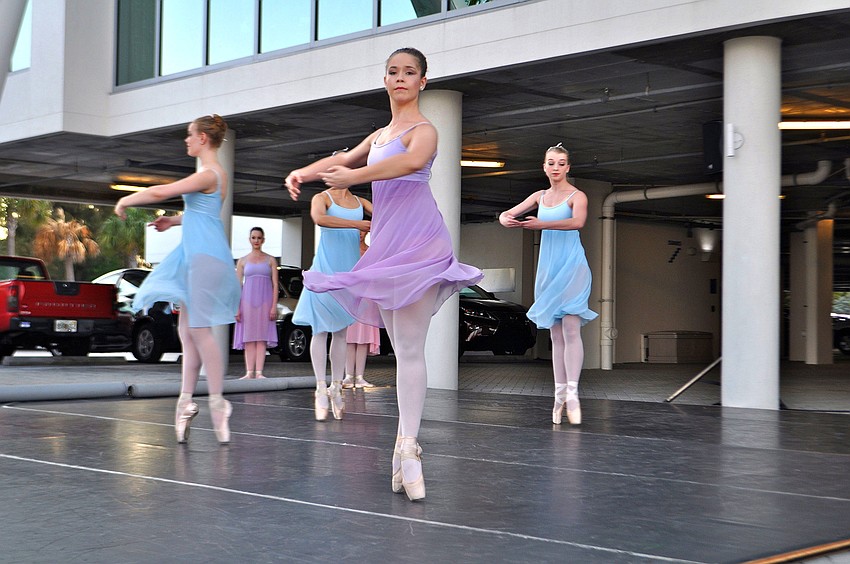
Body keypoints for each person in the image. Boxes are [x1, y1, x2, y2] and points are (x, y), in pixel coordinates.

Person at [285, 47, 482, 501]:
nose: (400, 78)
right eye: (393, 71)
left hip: (420, 243)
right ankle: (400, 450)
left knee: (410, 349)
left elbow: (407, 164)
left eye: (409, 72)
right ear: (385, 79)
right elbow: (343, 159)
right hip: (386, 247)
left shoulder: (425, 130)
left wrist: (353, 177)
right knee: (399, 351)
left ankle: (410, 447)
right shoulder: (379, 135)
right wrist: (303, 172)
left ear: (422, 81)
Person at [114, 113, 241, 445]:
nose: (186, 139)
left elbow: (162, 192)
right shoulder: (216, 175)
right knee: (187, 331)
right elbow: (201, 213)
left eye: (189, 134)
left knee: (199, 330)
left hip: (203, 255)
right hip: (196, 254)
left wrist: (127, 199)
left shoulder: (208, 173)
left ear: (202, 138)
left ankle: (218, 401)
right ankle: (186, 401)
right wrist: (172, 221)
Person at [498, 143, 597, 426]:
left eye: (561, 163)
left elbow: (578, 222)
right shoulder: (538, 196)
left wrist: (540, 225)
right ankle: (559, 395)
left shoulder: (577, 196)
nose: (556, 168)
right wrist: (507, 219)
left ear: (568, 167)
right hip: (548, 270)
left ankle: (573, 393)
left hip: (572, 266)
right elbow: (506, 215)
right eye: (551, 163)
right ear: (544, 167)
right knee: (555, 335)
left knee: (571, 327)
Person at [291, 186, 372, 422]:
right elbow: (319, 219)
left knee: (341, 332)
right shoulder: (322, 198)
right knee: (320, 329)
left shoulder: (360, 202)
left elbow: (386, 216)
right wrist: (357, 224)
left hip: (348, 273)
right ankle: (320, 388)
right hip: (324, 272)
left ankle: (336, 386)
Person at [233, 227, 279, 379]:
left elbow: (275, 285)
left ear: (263, 240)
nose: (256, 240)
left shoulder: (271, 260)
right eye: (253, 237)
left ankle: (259, 372)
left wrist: (273, 306)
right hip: (247, 302)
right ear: (250, 239)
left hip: (265, 302)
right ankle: (249, 372)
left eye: (259, 238)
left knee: (261, 337)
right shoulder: (242, 261)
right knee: (249, 337)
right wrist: (236, 307)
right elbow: (237, 286)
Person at [343, 231, 379, 390]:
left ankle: (359, 376)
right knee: (349, 337)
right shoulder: (346, 250)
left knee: (363, 337)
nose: (360, 234)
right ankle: (348, 375)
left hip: (367, 297)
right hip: (350, 296)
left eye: (363, 231)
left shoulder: (371, 251)